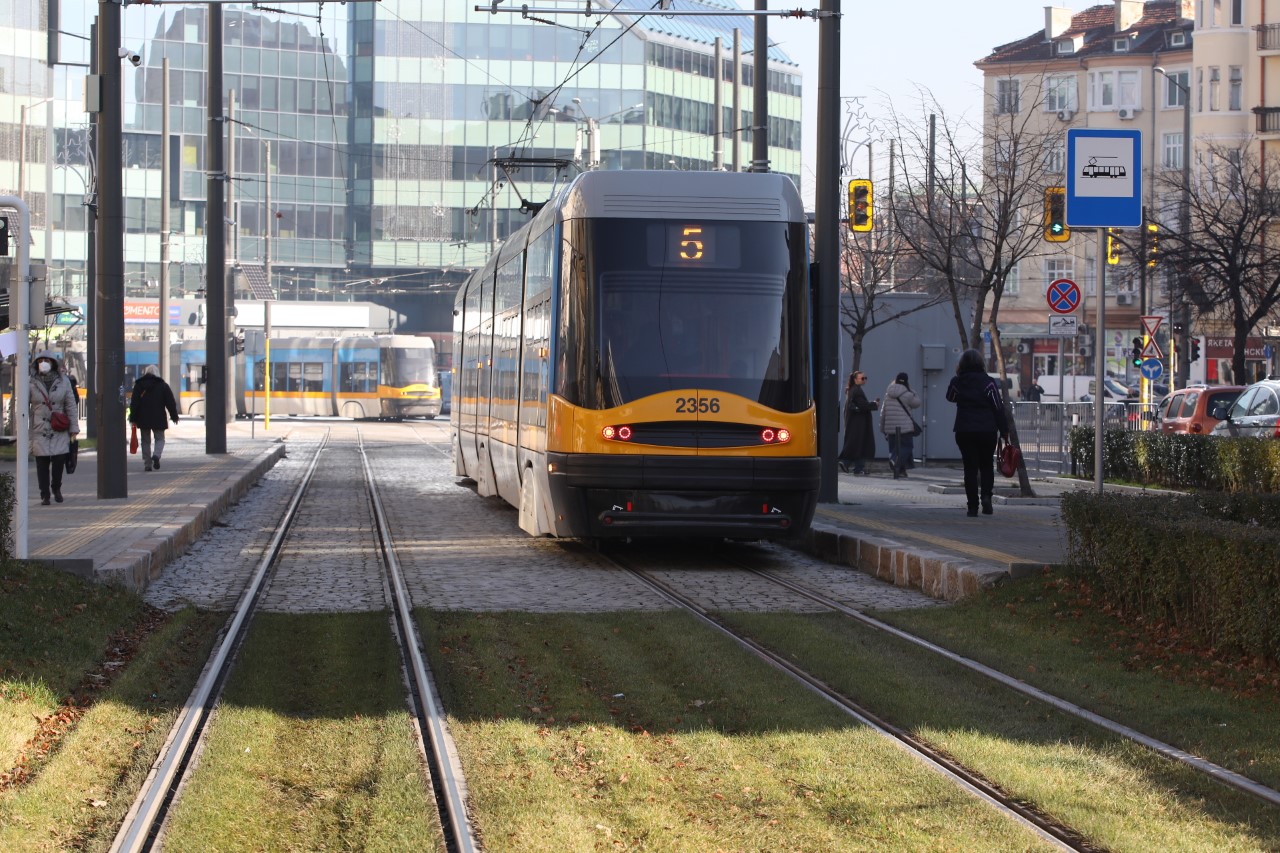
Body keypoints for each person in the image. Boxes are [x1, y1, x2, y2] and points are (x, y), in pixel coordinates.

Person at [946, 349, 1009, 517]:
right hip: (987, 430)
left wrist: (958, 378)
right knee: (986, 465)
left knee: (970, 468)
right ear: (981, 363)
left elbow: (950, 397)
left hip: (964, 430)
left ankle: (972, 507)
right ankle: (986, 497)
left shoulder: (957, 382)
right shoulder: (988, 383)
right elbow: (998, 407)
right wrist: (1004, 431)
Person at [28, 351, 80, 506]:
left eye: (46, 360)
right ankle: (45, 494)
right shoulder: (31, 382)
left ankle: (56, 488)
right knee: (41, 462)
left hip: (59, 427)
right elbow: (24, 406)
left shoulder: (63, 381)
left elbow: (70, 404)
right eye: (40, 360)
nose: (43, 363)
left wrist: (73, 428)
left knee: (59, 460)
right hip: (39, 428)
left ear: (53, 363)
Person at [129, 365, 180, 472]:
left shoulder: (139, 385)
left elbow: (134, 404)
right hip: (159, 418)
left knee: (145, 441)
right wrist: (174, 416)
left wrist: (133, 418)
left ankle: (147, 464)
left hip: (143, 418)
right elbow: (170, 402)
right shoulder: (163, 386)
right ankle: (156, 455)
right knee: (160, 439)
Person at [880, 372, 922, 479]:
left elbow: (883, 412)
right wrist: (912, 390)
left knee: (894, 448)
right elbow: (917, 403)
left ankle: (901, 470)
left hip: (890, 427)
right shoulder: (908, 394)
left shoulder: (887, 394)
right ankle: (894, 461)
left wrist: (883, 428)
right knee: (907, 447)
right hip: (905, 427)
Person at [838, 371, 878, 475]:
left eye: (865, 378)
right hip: (859, 423)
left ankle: (856, 467)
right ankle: (851, 465)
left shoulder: (851, 390)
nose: (864, 380)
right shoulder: (857, 391)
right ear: (855, 380)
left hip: (854, 422)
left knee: (857, 444)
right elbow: (863, 405)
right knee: (861, 444)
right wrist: (874, 404)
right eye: (862, 378)